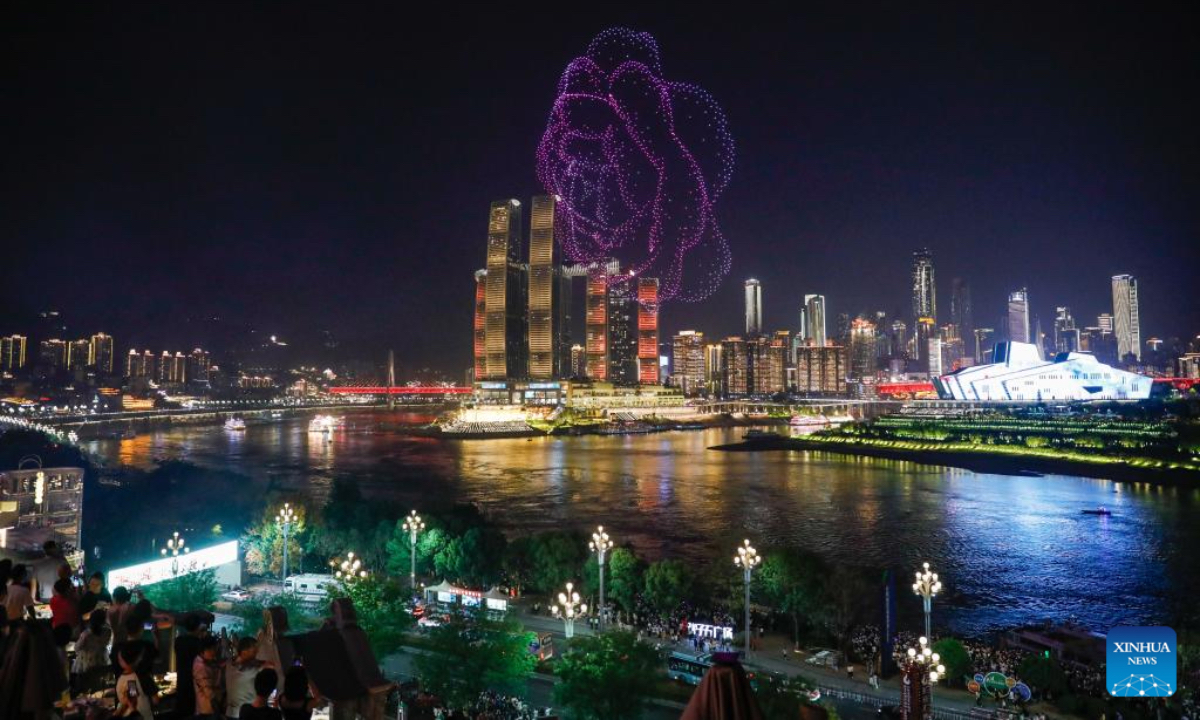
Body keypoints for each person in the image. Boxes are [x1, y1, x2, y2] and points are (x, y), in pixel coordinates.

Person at [226, 636, 268, 718]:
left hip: (231, 713)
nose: (257, 653)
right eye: (254, 651)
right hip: (246, 714)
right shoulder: (253, 669)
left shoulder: (229, 665)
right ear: (244, 652)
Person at [174, 614, 207, 717]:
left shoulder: (178, 641)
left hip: (182, 681)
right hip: (194, 684)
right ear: (198, 627)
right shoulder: (199, 644)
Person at [73, 608, 113, 692]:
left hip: (86, 662)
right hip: (101, 660)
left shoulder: (87, 634)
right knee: (99, 685)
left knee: (85, 687)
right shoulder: (108, 631)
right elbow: (106, 643)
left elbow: (77, 647)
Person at [115, 644, 154, 719]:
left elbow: (131, 699)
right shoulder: (132, 678)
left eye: (120, 659)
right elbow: (132, 699)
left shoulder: (128, 678)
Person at [193, 635, 224, 719]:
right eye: (211, 649)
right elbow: (207, 689)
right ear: (203, 650)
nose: (213, 652)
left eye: (215, 649)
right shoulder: (200, 666)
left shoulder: (208, 661)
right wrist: (217, 707)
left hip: (209, 708)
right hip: (207, 709)